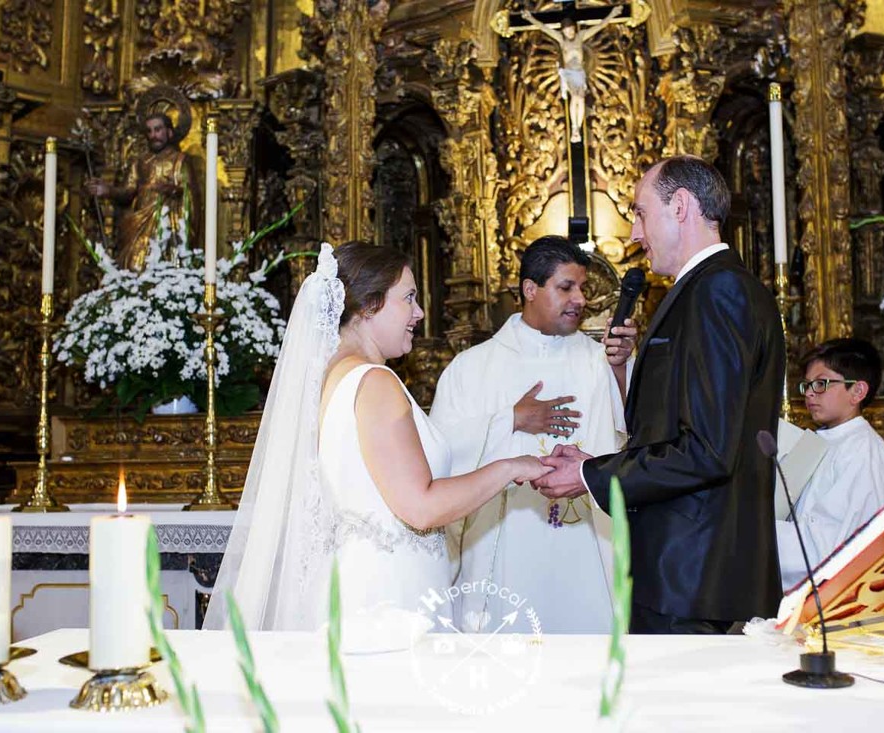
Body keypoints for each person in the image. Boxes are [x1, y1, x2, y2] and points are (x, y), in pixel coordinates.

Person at [204, 242, 550, 631]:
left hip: (357, 585)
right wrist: (512, 467)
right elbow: (421, 507)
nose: (419, 313)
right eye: (408, 298)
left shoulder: (327, 379)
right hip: (389, 597)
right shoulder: (375, 382)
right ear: (369, 306)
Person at [535, 155, 786, 634]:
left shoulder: (718, 292)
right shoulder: (712, 289)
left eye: (640, 212)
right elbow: (673, 427)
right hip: (690, 573)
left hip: (690, 576)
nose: (633, 233)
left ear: (682, 206)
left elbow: (707, 451)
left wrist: (590, 474)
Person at [430, 236, 636, 633]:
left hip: (585, 554)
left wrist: (622, 371)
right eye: (565, 287)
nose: (579, 299)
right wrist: (510, 418)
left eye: (582, 288)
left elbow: (631, 436)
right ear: (530, 289)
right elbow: (439, 454)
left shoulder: (600, 361)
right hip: (503, 548)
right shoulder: (472, 368)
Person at [776, 338, 884, 589]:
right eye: (807, 385)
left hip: (845, 605)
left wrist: (755, 531)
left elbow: (826, 545)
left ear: (857, 391)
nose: (810, 393)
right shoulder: (825, 443)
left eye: (821, 383)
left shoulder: (861, 452)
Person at [86, 112, 202, 272]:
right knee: (134, 264)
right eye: (149, 131)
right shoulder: (140, 162)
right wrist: (107, 190)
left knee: (161, 264)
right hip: (140, 221)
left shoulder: (180, 160)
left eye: (158, 129)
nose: (153, 135)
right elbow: (128, 192)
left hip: (167, 223)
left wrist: (172, 190)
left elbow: (191, 194)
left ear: (169, 132)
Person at [521, 6, 622, 144]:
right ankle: (574, 128)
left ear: (575, 29)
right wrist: (530, 18)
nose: (570, 33)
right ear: (563, 31)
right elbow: (544, 28)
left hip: (580, 73)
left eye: (572, 30)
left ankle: (577, 128)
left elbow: (600, 26)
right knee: (575, 97)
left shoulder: (580, 37)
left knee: (580, 99)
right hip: (568, 73)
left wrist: (612, 14)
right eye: (567, 31)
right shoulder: (561, 40)